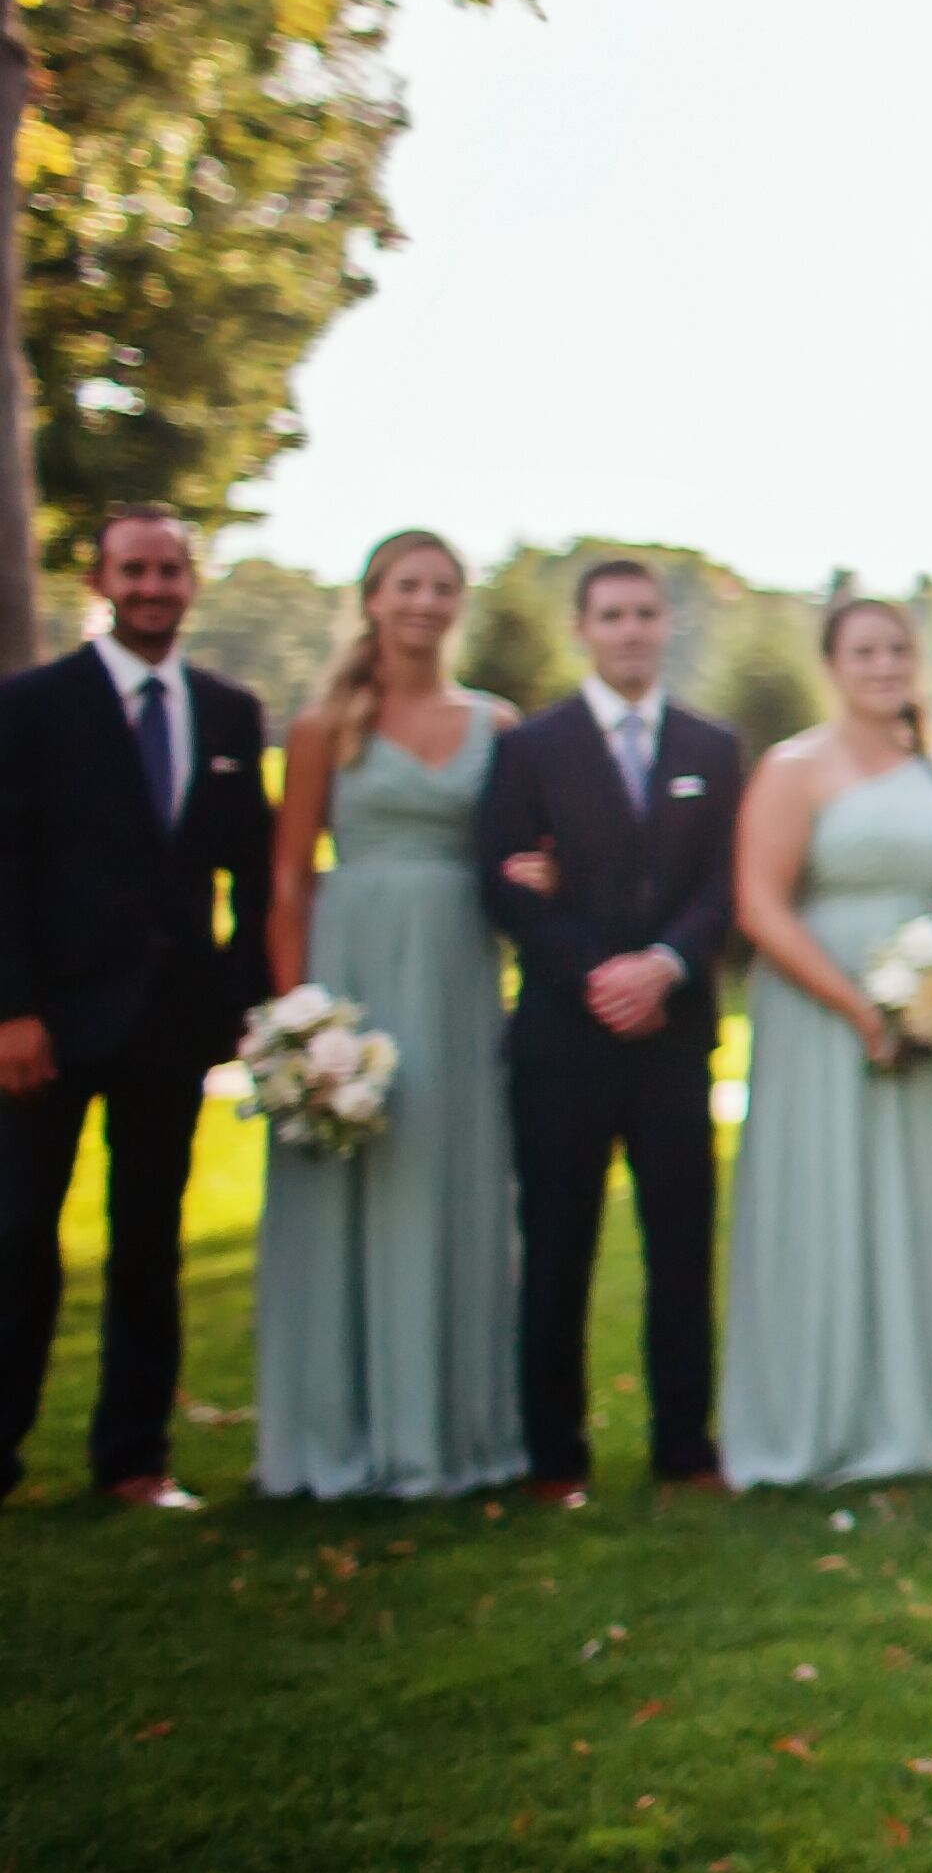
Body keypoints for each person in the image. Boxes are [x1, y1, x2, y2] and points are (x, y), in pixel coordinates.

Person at [716, 600, 932, 1488]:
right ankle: (833, 1415)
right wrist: (858, 1006)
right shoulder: (795, 768)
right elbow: (759, 904)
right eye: (865, 650)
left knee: (928, 1204)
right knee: (837, 1199)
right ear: (832, 663)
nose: (884, 664)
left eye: (898, 649)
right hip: (826, 1017)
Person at [0, 508, 272, 1508]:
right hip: (51, 1022)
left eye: (170, 569)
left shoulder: (229, 712)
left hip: (172, 1023)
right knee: (19, 1235)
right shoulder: (33, 705)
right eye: (135, 569)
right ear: (102, 578)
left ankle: (133, 1458)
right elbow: (8, 864)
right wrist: (13, 1009)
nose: (154, 585)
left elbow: (253, 876)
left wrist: (245, 1003)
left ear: (192, 581)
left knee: (147, 1242)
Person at [252, 531, 523, 1499]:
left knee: (449, 1176)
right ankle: (340, 1427)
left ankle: (454, 1428)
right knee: (349, 1181)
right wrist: (299, 1020)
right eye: (407, 585)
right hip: (351, 965)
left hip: (455, 964)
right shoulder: (327, 723)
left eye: (443, 586)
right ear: (372, 598)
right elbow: (288, 878)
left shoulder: (497, 721)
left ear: (460, 603)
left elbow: (523, 850)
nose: (425, 601)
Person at [476, 556, 741, 1502]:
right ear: (583, 629)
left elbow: (727, 885)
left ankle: (685, 1450)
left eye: (643, 613)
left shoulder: (714, 749)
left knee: (681, 1251)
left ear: (665, 624)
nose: (629, 629)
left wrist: (664, 966)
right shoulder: (531, 749)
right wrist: (596, 975)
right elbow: (503, 883)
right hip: (563, 1041)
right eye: (610, 615)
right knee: (557, 1250)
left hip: (673, 1038)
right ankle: (554, 1458)